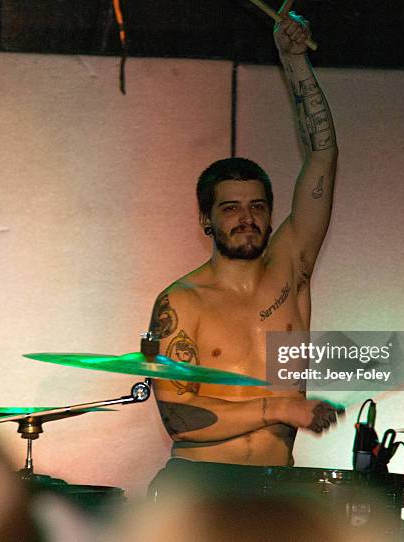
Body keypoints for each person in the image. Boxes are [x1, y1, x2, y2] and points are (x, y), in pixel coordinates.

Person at [147, 0, 340, 487]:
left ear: (272, 215)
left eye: (256, 206)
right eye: (230, 208)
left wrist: (294, 61)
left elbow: (323, 154)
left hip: (278, 485)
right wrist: (280, 407)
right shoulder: (181, 301)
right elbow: (180, 421)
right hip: (202, 490)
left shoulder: (290, 266)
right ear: (206, 220)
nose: (246, 217)